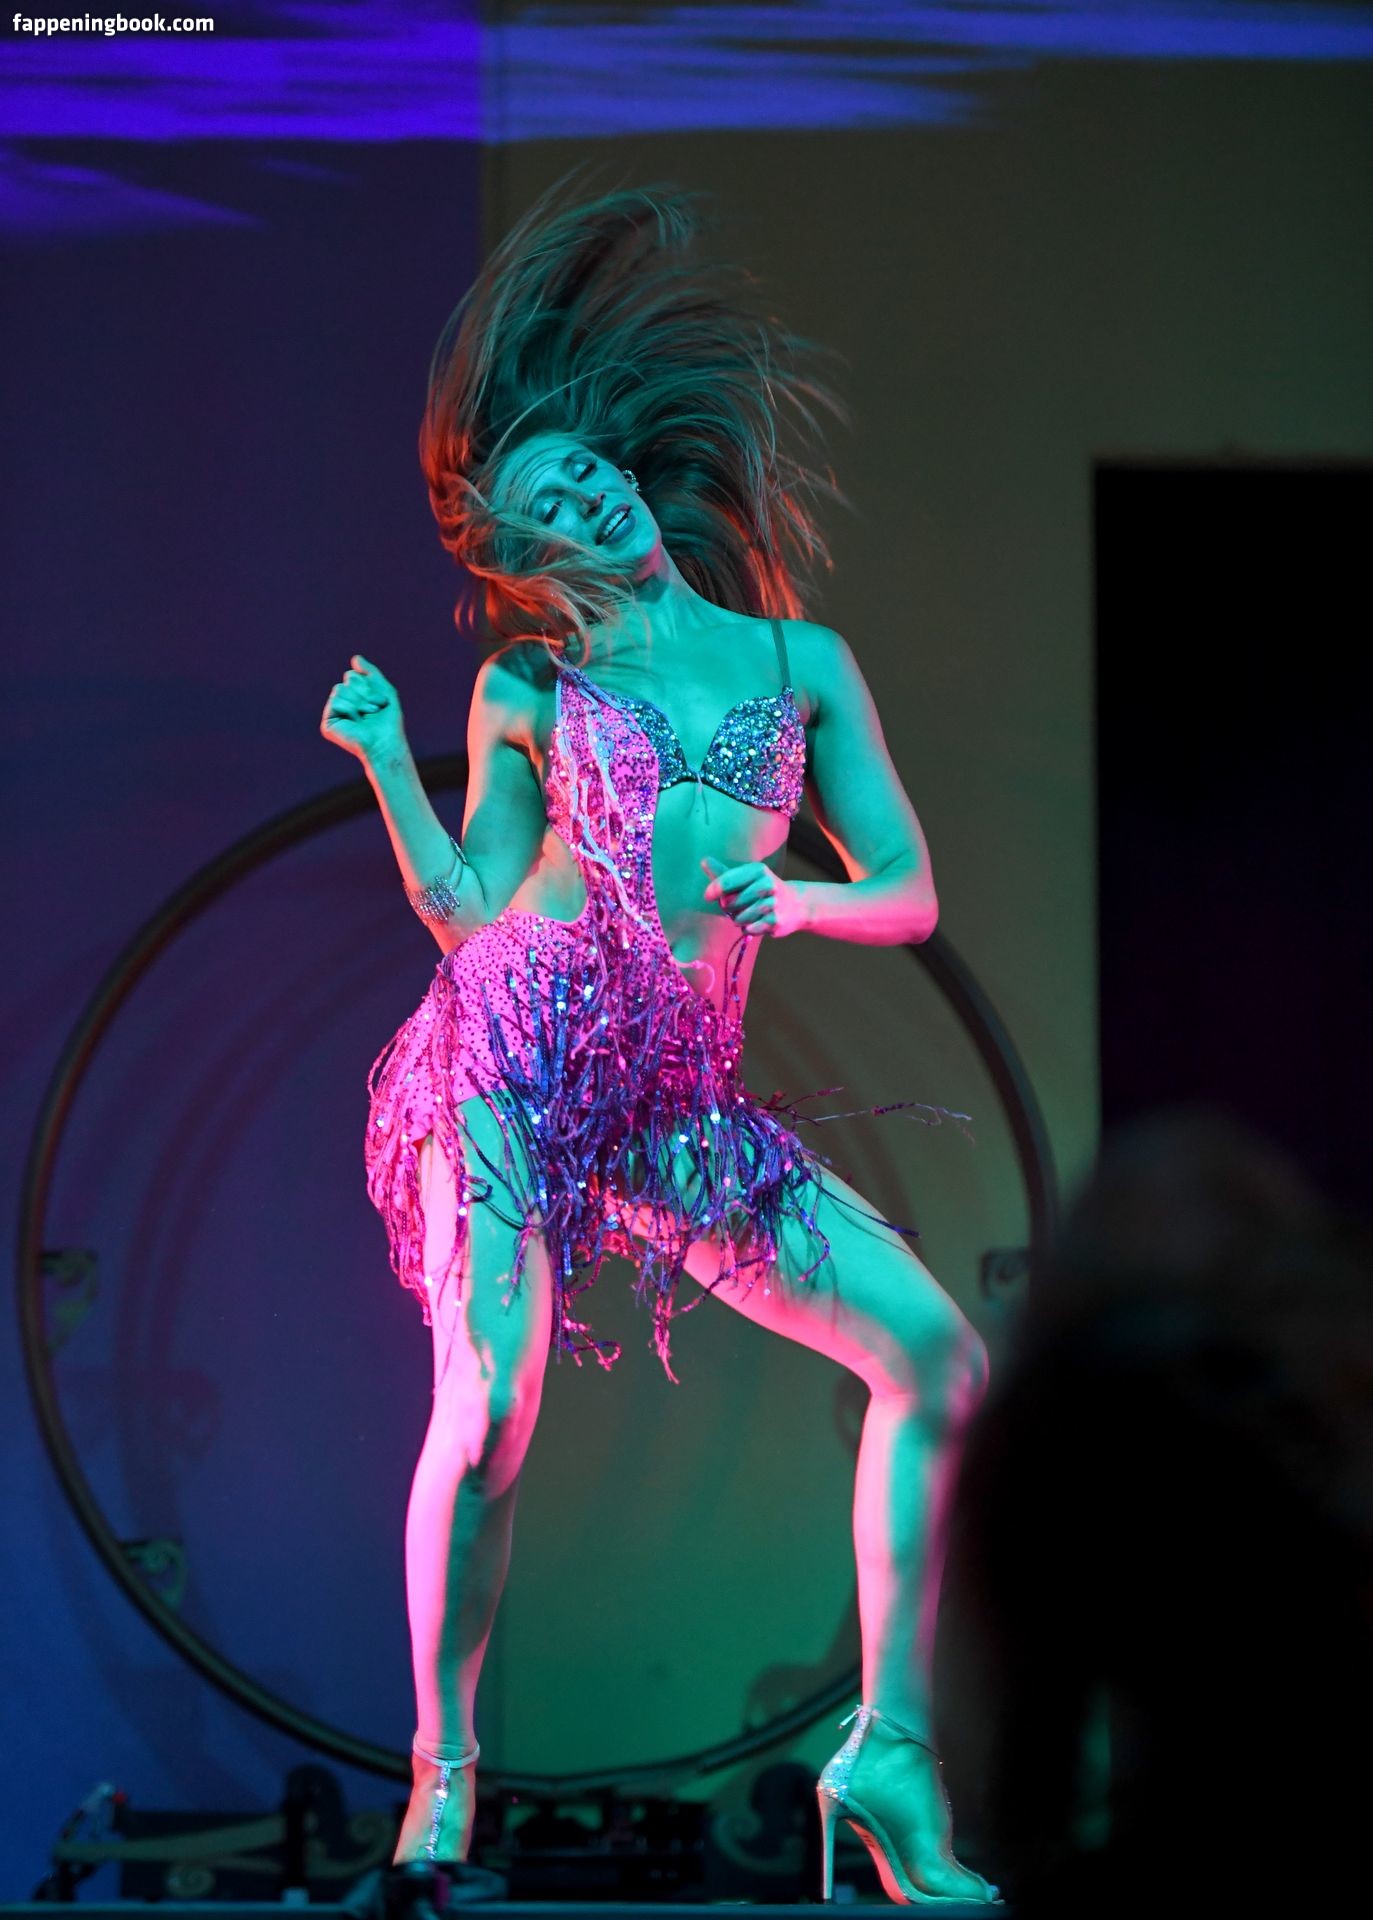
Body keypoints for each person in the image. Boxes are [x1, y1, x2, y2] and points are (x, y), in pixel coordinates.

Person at [320, 181, 998, 1906]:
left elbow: (907, 891)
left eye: (588, 472)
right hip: (509, 1049)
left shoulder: (799, 662)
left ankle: (890, 1760)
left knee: (936, 1359)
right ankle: (440, 1786)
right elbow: (471, 914)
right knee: (490, 1405)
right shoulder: (529, 691)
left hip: (668, 1092)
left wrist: (800, 902)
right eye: (549, 504)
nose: (590, 498)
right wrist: (389, 762)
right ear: (525, 561)